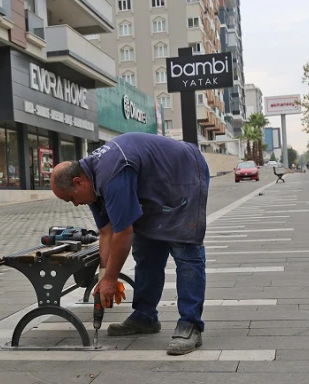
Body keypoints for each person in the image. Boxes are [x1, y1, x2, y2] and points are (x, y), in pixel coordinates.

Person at [51, 132, 210, 355]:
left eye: (70, 198)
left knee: (184, 247)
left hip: (184, 175)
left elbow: (123, 233)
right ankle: (145, 317)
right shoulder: (91, 183)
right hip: (152, 188)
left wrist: (112, 278)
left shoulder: (111, 174)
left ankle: (190, 324)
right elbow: (107, 233)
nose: (75, 204)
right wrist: (105, 276)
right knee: (146, 251)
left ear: (78, 182)